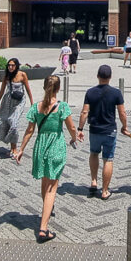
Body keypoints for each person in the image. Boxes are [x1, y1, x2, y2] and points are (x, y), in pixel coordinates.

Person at [14, 76, 78, 243]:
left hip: (40, 147)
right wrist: (74, 137)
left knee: (45, 183)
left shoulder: (36, 107)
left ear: (44, 87)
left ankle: (47, 208)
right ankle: (43, 228)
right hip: (56, 146)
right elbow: (71, 127)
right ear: (58, 89)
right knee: (52, 187)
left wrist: (21, 149)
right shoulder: (62, 106)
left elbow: (29, 130)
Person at [76, 64, 128, 200]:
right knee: (108, 159)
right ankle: (105, 191)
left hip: (94, 129)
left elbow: (84, 112)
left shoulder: (90, 92)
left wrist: (80, 129)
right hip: (110, 129)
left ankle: (94, 181)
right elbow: (122, 112)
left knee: (94, 153)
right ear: (110, 77)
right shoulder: (116, 93)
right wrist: (125, 126)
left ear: (98, 76)